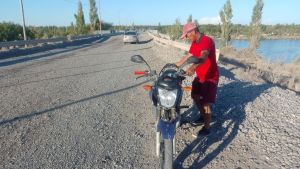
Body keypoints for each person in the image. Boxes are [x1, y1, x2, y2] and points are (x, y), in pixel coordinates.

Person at [176, 22, 219, 136]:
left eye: (187, 35)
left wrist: (193, 67)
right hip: (200, 76)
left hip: (210, 77)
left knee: (206, 103)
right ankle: (203, 116)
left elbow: (203, 56)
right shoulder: (194, 43)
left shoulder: (206, 41)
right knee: (195, 96)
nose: (186, 37)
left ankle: (207, 127)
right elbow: (188, 56)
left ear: (193, 31)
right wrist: (173, 66)